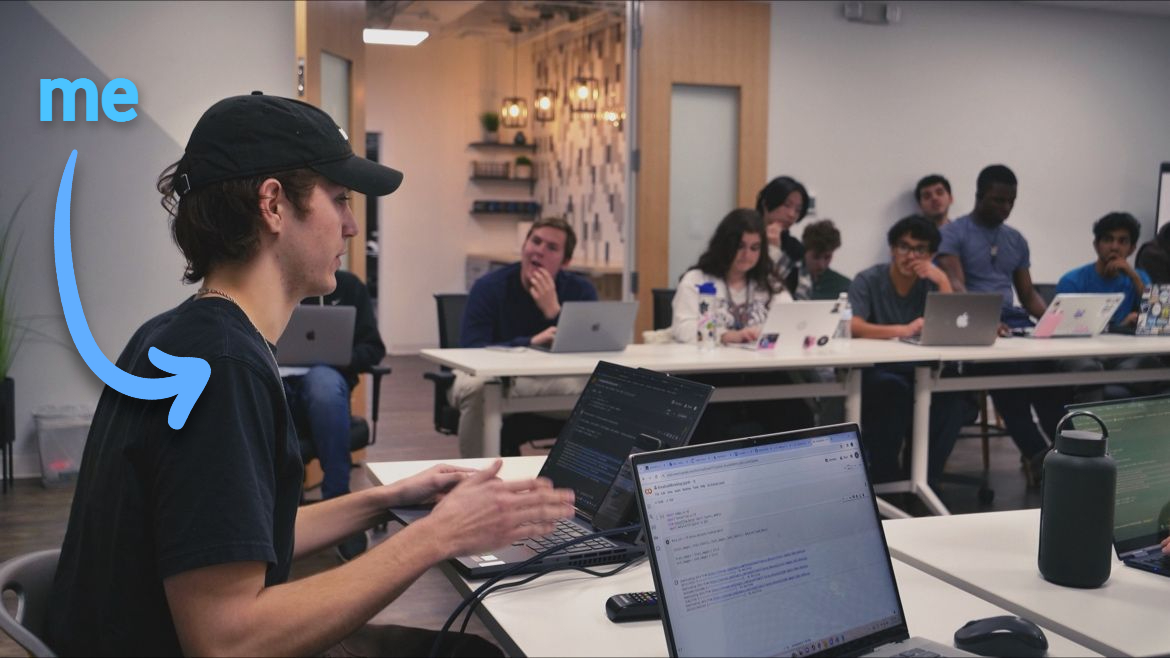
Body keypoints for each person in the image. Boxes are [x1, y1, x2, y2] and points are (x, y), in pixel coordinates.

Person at [46, 93, 573, 657]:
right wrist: (438, 534)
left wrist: (386, 499)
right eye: (340, 199)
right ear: (273, 205)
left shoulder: (176, 336)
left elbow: (238, 541)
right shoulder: (222, 370)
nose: (350, 225)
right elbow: (227, 640)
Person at [936, 164, 1066, 484]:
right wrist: (983, 319)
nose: (1005, 207)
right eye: (998, 200)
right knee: (1010, 377)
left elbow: (1028, 293)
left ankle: (1067, 454)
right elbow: (956, 286)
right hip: (973, 320)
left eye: (1011, 201)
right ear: (979, 196)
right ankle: (1040, 457)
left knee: (1050, 372)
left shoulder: (1016, 239)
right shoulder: (953, 234)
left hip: (1012, 321)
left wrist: (1056, 322)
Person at [450, 216, 597, 457]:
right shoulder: (489, 287)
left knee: (604, 393)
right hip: (493, 376)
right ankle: (475, 481)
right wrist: (528, 343)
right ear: (524, 247)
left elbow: (591, 351)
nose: (539, 251)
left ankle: (588, 479)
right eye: (535, 241)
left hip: (548, 379)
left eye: (551, 248)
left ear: (566, 262)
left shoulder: (580, 290)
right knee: (480, 389)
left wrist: (555, 312)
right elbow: (472, 349)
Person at [672, 208, 813, 442]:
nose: (747, 254)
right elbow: (682, 327)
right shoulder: (697, 279)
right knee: (709, 427)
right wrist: (726, 336)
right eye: (740, 246)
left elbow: (791, 319)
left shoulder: (768, 282)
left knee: (798, 416)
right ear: (724, 245)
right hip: (710, 376)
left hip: (762, 374)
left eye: (755, 248)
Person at [849, 215, 965, 482]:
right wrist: (902, 330)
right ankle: (888, 480)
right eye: (904, 246)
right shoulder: (869, 279)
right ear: (892, 248)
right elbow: (853, 324)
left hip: (924, 370)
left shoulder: (932, 283)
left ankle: (926, 481)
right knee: (890, 392)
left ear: (931, 254)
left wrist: (944, 283)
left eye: (920, 250)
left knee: (952, 397)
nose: (910, 255)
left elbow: (954, 326)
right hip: (879, 370)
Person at [284, 268, 385, 560]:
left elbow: (373, 349)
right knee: (265, 390)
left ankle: (339, 502)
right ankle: (285, 507)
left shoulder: (349, 287)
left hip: (326, 383)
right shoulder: (271, 283)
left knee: (324, 385)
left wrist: (339, 356)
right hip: (278, 377)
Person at [1056, 212, 1161, 401]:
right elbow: (1065, 331)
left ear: (1132, 248)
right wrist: (1120, 325)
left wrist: (1134, 276)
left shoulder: (1139, 278)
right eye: (1108, 240)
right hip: (1083, 354)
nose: (1114, 247)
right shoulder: (1072, 280)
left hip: (1122, 355)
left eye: (1122, 241)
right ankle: (1093, 430)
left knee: (1154, 368)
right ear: (1096, 245)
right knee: (1089, 371)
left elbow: (1159, 319)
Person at [756, 175, 811, 294]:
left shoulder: (795, 248)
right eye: (786, 205)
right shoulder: (745, 237)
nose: (792, 214)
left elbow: (804, 293)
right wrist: (772, 249)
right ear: (766, 204)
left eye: (798, 210)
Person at [792, 219, 851, 300]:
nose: (821, 265)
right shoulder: (788, 280)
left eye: (827, 257)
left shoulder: (844, 286)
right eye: (816, 257)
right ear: (804, 251)